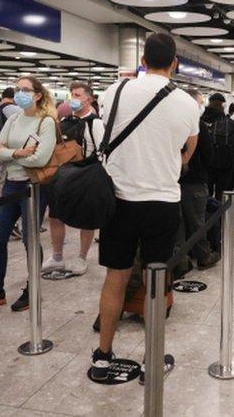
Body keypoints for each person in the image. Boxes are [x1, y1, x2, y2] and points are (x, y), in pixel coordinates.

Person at [89, 33, 198, 383]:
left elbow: (107, 133)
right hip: (162, 201)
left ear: (143, 60)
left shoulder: (114, 92)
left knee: (114, 277)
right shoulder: (186, 103)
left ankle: (103, 355)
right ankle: (152, 359)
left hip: (118, 199)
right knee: (155, 281)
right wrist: (172, 160)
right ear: (174, 62)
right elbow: (187, 150)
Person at [0, 76, 56, 312]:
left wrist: (10, 152)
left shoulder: (45, 122)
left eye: (25, 90)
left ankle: (32, 287)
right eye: (17, 89)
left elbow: (41, 158)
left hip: (33, 187)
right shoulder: (14, 119)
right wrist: (19, 153)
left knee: (29, 239)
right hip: (10, 185)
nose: (20, 93)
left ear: (37, 95)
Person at [41, 81, 104, 276]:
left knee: (86, 217)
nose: (73, 98)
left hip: (85, 175)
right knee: (55, 215)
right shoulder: (64, 121)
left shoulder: (96, 123)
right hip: (62, 175)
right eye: (72, 94)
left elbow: (102, 151)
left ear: (89, 98)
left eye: (77, 95)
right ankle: (57, 256)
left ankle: (82, 256)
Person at [178, 89, 219, 271]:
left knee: (178, 223)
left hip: (173, 180)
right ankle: (203, 256)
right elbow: (210, 154)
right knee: (197, 220)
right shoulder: (198, 125)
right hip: (194, 180)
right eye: (200, 103)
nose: (202, 106)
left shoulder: (174, 121)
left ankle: (181, 260)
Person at [202, 92, 234, 201]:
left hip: (206, 162)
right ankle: (220, 215)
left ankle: (208, 215)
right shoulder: (228, 122)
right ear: (222, 105)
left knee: (207, 191)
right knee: (221, 192)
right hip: (225, 162)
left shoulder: (201, 120)